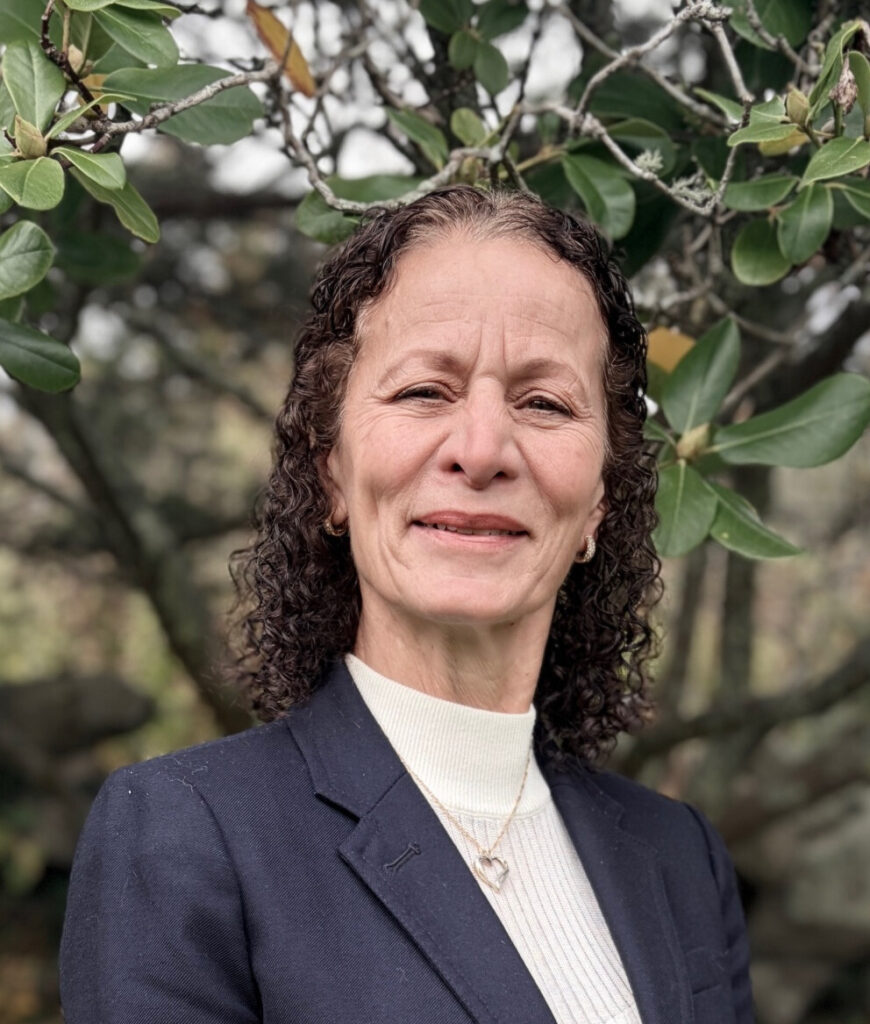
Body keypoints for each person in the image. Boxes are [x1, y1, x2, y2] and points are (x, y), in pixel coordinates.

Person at [60, 185, 753, 1024]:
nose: (483, 449)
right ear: (334, 474)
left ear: (598, 505)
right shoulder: (185, 835)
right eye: (426, 390)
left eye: (545, 403)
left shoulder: (681, 859)